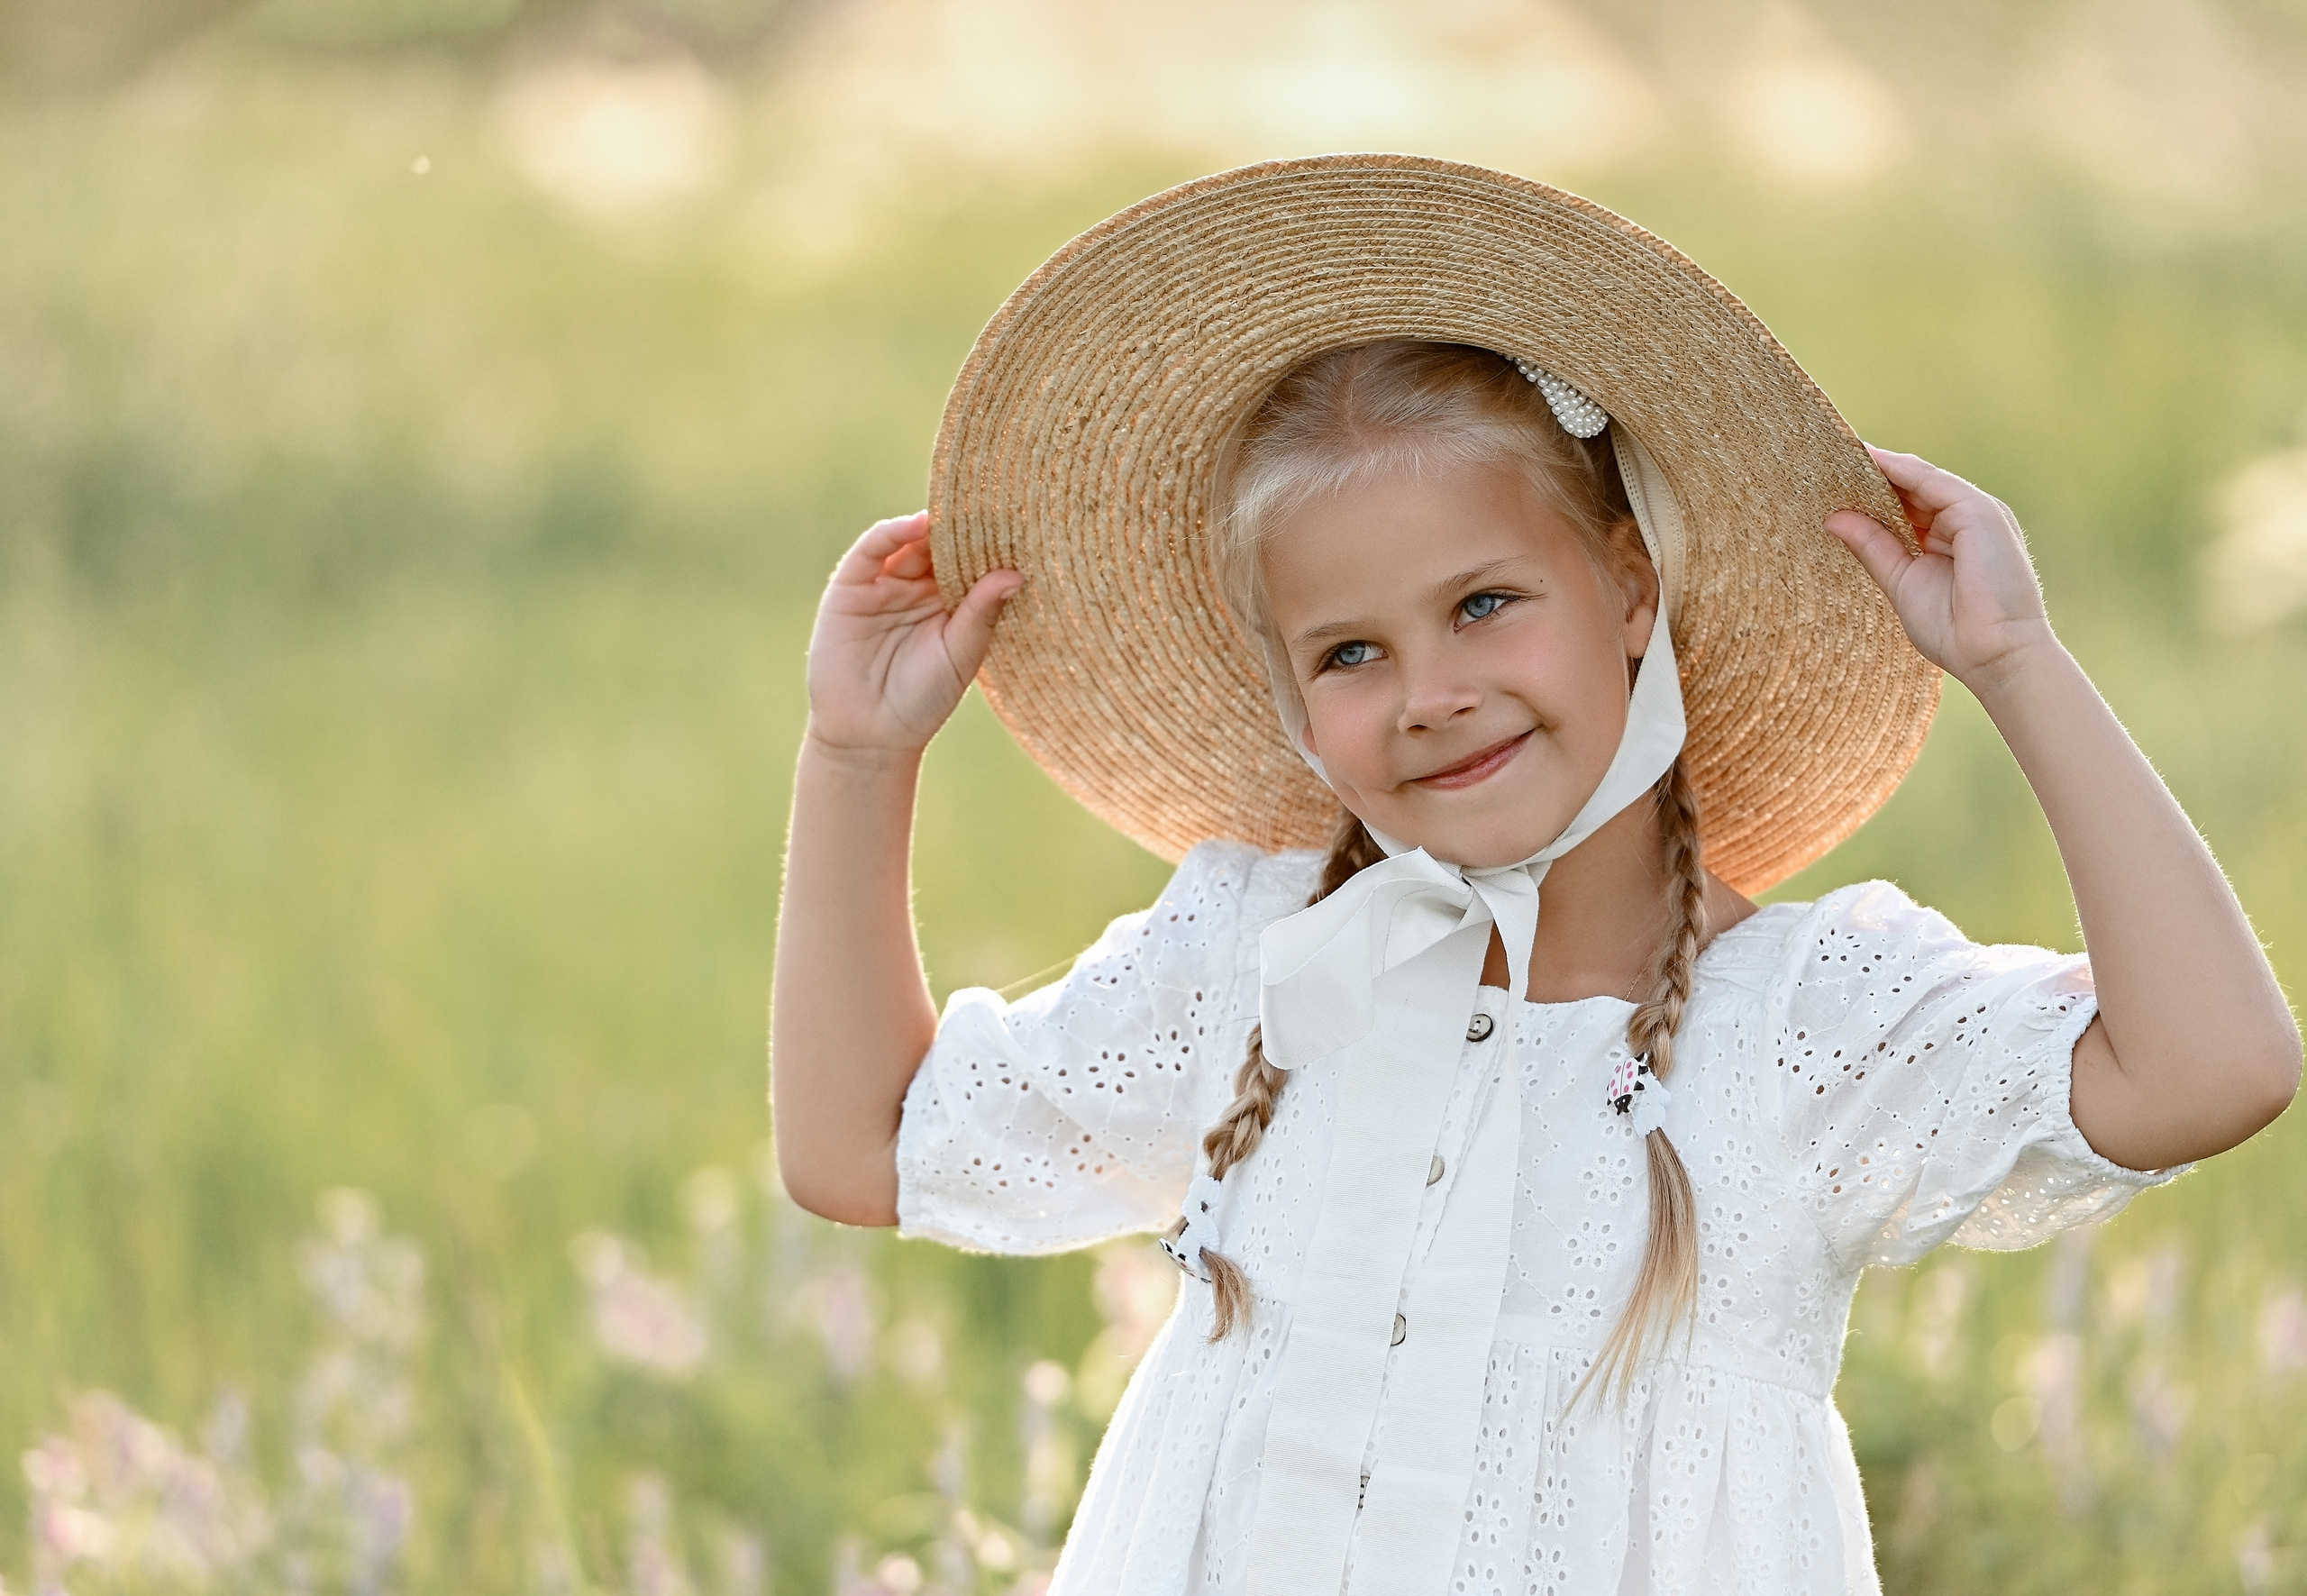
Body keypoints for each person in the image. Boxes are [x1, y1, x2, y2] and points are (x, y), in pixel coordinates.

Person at [769, 158, 2299, 1596]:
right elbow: (860, 1148)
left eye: (1486, 603)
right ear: (1296, 705)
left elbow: (2213, 1068)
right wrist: (856, 759)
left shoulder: (1799, 1025)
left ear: (1629, 589)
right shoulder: (1259, 957)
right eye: (1350, 651)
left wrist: (2017, 667)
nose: (1428, 689)